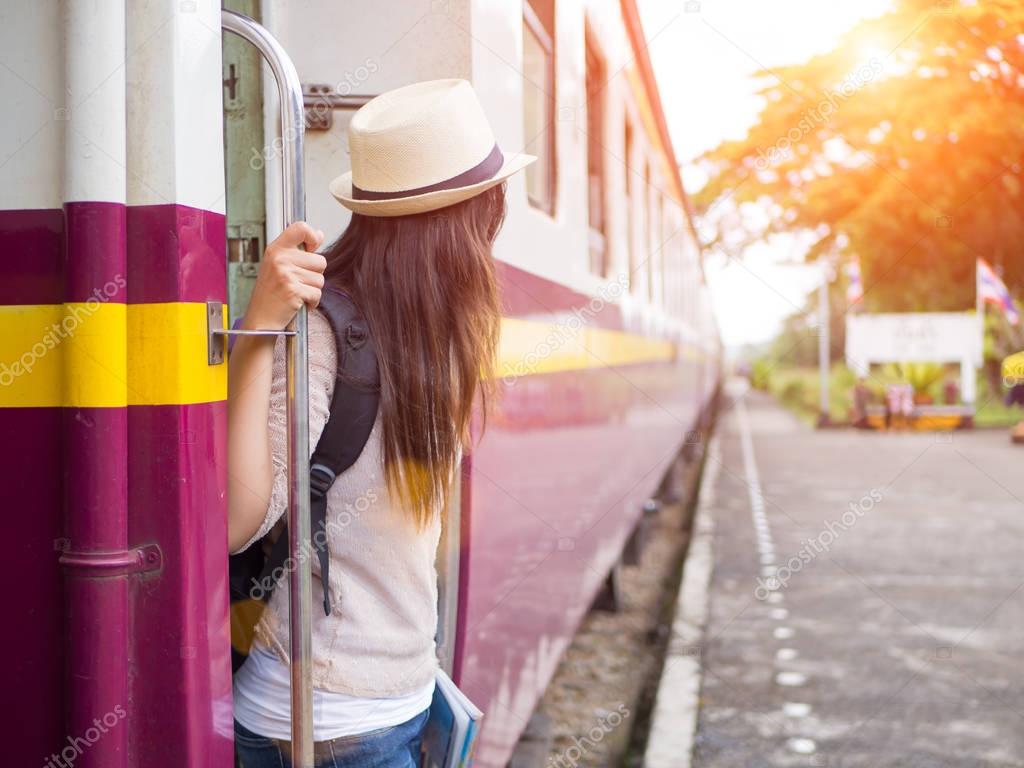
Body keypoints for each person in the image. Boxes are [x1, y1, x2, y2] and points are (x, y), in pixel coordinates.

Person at [226, 79, 534, 767]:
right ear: (467, 220)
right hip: (322, 725)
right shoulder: (322, 334)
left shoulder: (439, 331)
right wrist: (259, 334)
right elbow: (238, 520)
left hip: (395, 702)